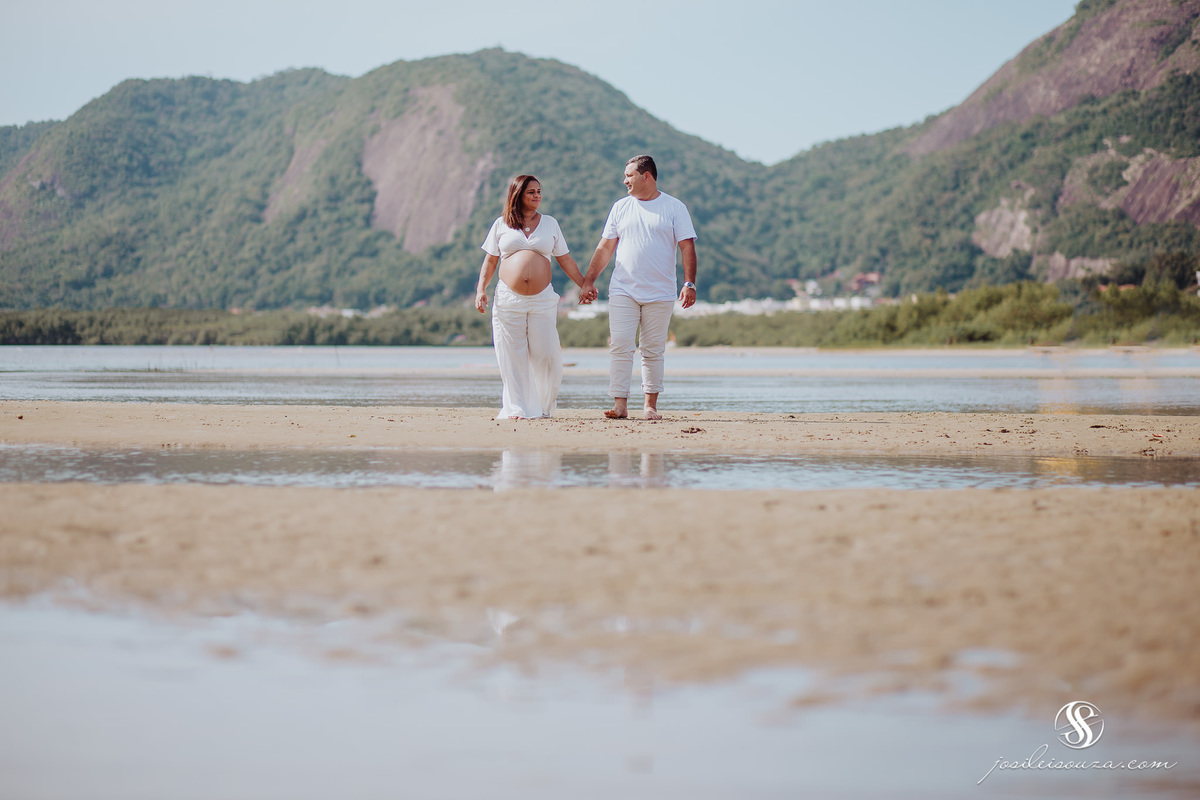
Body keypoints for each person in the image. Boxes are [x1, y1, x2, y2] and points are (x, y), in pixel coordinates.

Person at [579, 155, 697, 420]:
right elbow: (605, 247)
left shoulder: (674, 207)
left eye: (629, 175)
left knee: (653, 349)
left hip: (661, 291)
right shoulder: (620, 207)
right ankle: (620, 404)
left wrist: (690, 283)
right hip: (623, 289)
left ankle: (650, 406)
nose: (625, 181)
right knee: (620, 345)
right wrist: (588, 281)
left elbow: (687, 246)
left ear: (647, 176)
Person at [476, 174, 585, 419]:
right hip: (508, 298)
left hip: (542, 300)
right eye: (531, 192)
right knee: (511, 354)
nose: (537, 196)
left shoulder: (550, 223)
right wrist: (481, 289)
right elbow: (491, 259)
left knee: (546, 353)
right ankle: (517, 408)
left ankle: (543, 407)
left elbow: (565, 259)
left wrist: (584, 284)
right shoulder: (502, 224)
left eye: (539, 191)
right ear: (518, 195)